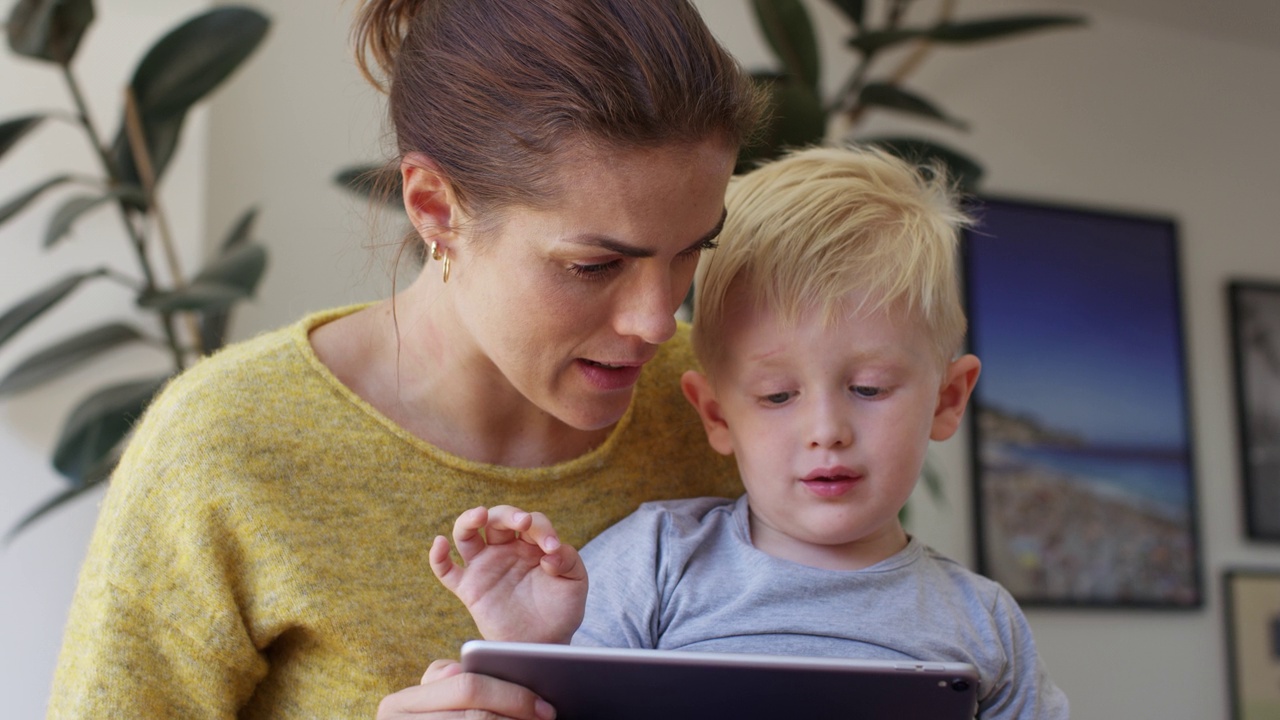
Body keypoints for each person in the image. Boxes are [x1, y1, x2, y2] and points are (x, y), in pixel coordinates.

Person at [47, 1, 764, 718]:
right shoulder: (224, 447)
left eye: (691, 250)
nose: (657, 320)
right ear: (434, 207)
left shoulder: (734, 416)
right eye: (594, 264)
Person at [430, 146, 1070, 719]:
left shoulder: (984, 622)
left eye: (869, 388)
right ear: (715, 414)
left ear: (947, 400)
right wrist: (528, 654)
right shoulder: (658, 561)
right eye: (777, 395)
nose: (827, 431)